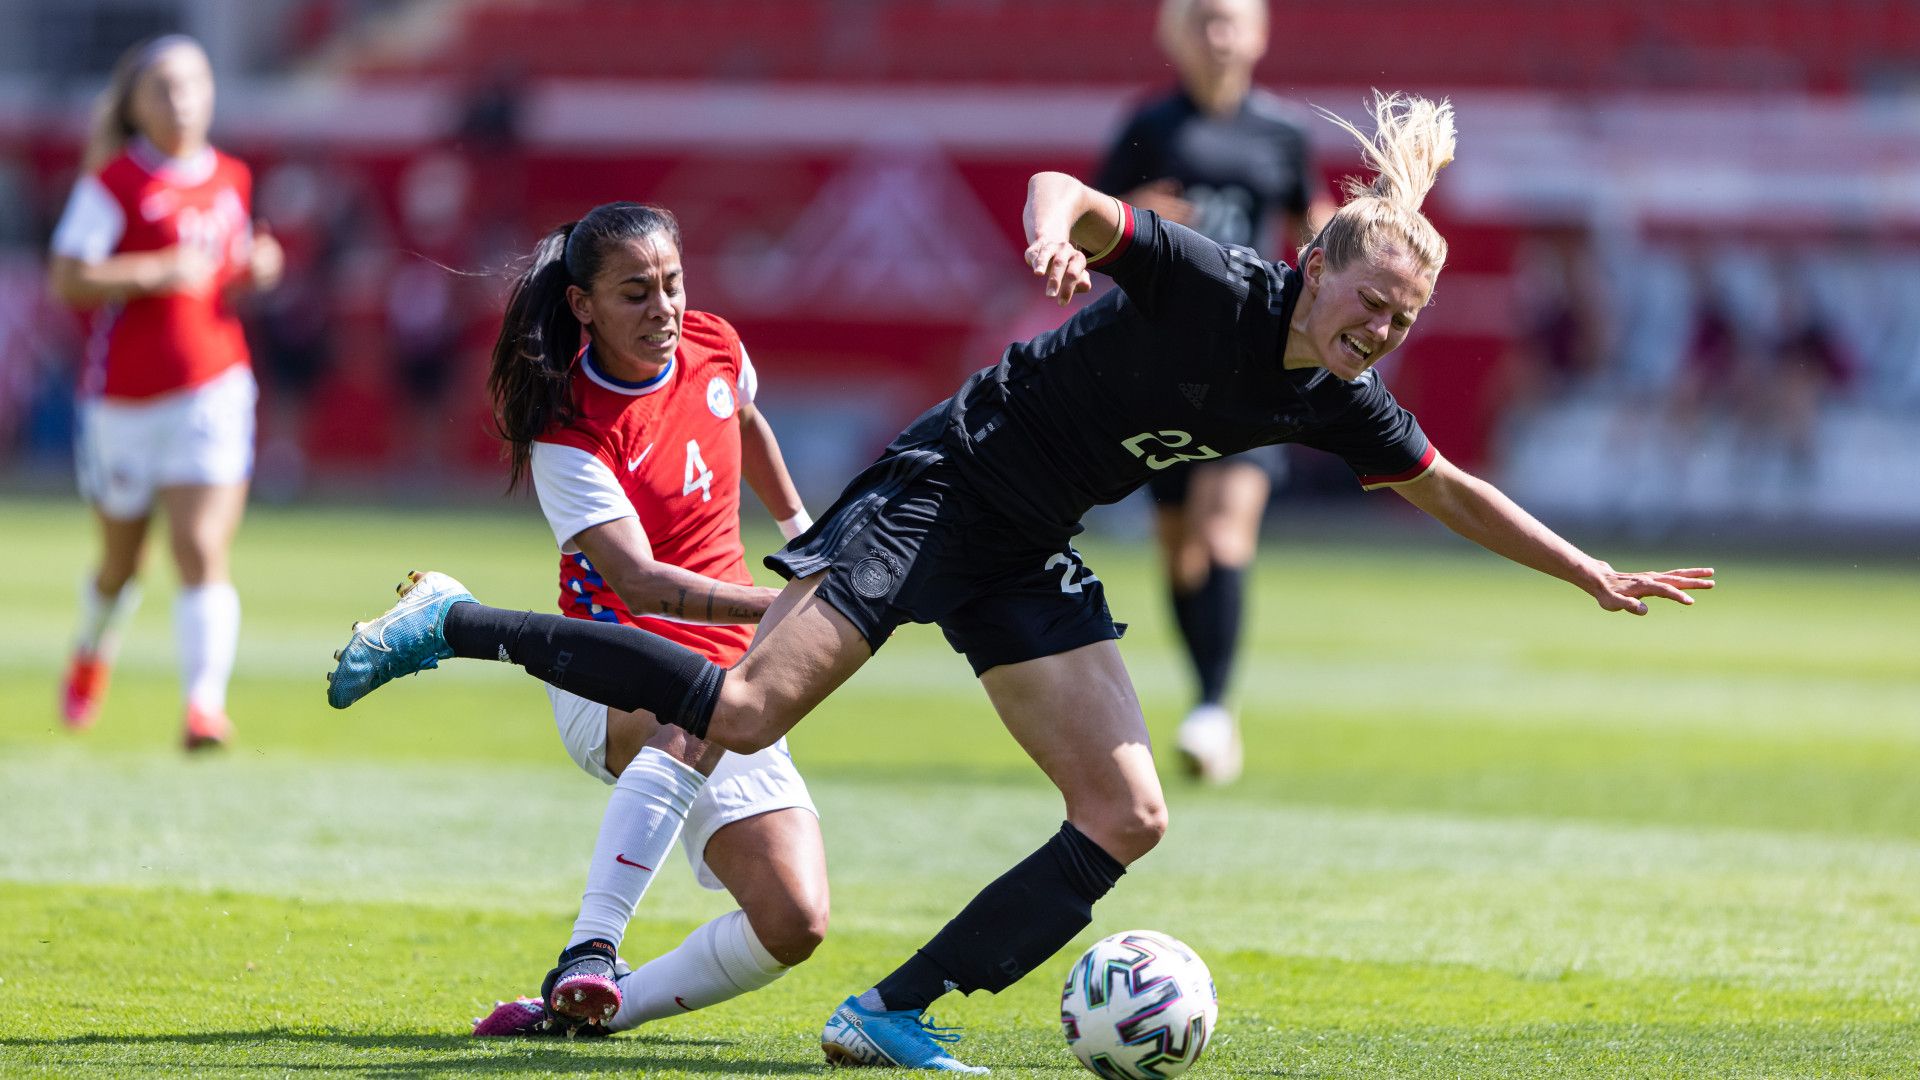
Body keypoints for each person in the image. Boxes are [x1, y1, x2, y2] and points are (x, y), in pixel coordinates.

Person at [328, 93, 1714, 1073]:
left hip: (1027, 547)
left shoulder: (1338, 399)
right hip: (941, 490)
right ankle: (455, 621)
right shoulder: (1213, 284)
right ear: (1314, 268)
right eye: (1372, 307)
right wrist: (1060, 236)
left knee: (1129, 810)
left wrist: (1587, 572)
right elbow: (1069, 196)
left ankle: (889, 1011)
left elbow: (1450, 485)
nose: (1383, 336)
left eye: (1403, 325)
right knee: (742, 714)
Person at [345, 203, 829, 1036]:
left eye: (673, 284)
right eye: (636, 293)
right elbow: (639, 585)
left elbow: (742, 419)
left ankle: (584, 1016)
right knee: (694, 715)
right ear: (583, 306)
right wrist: (789, 601)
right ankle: (590, 950)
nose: (664, 309)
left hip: (735, 677)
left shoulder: (716, 346)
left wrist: (804, 539)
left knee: (795, 921)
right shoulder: (567, 432)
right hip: (612, 675)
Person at [1094, 0, 1337, 783]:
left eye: (1232, 20)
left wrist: (1349, 254)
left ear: (1260, 34)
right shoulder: (1150, 128)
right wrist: (1136, 221)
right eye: (1203, 20)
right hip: (1163, 362)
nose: (1219, 36)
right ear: (1176, 35)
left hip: (1258, 361)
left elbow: (1315, 229)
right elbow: (1089, 224)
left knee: (1226, 529)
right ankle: (1211, 706)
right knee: (1181, 549)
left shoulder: (1283, 134)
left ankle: (1211, 706)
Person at [49, 34, 282, 749]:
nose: (181, 101)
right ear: (136, 104)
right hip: (122, 399)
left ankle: (202, 707)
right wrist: (152, 270)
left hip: (212, 387)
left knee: (199, 545)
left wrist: (259, 268)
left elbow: (229, 270)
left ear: (213, 93)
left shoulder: (232, 178)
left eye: (193, 85)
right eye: (164, 89)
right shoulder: (114, 182)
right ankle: (92, 648)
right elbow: (67, 276)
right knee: (121, 563)